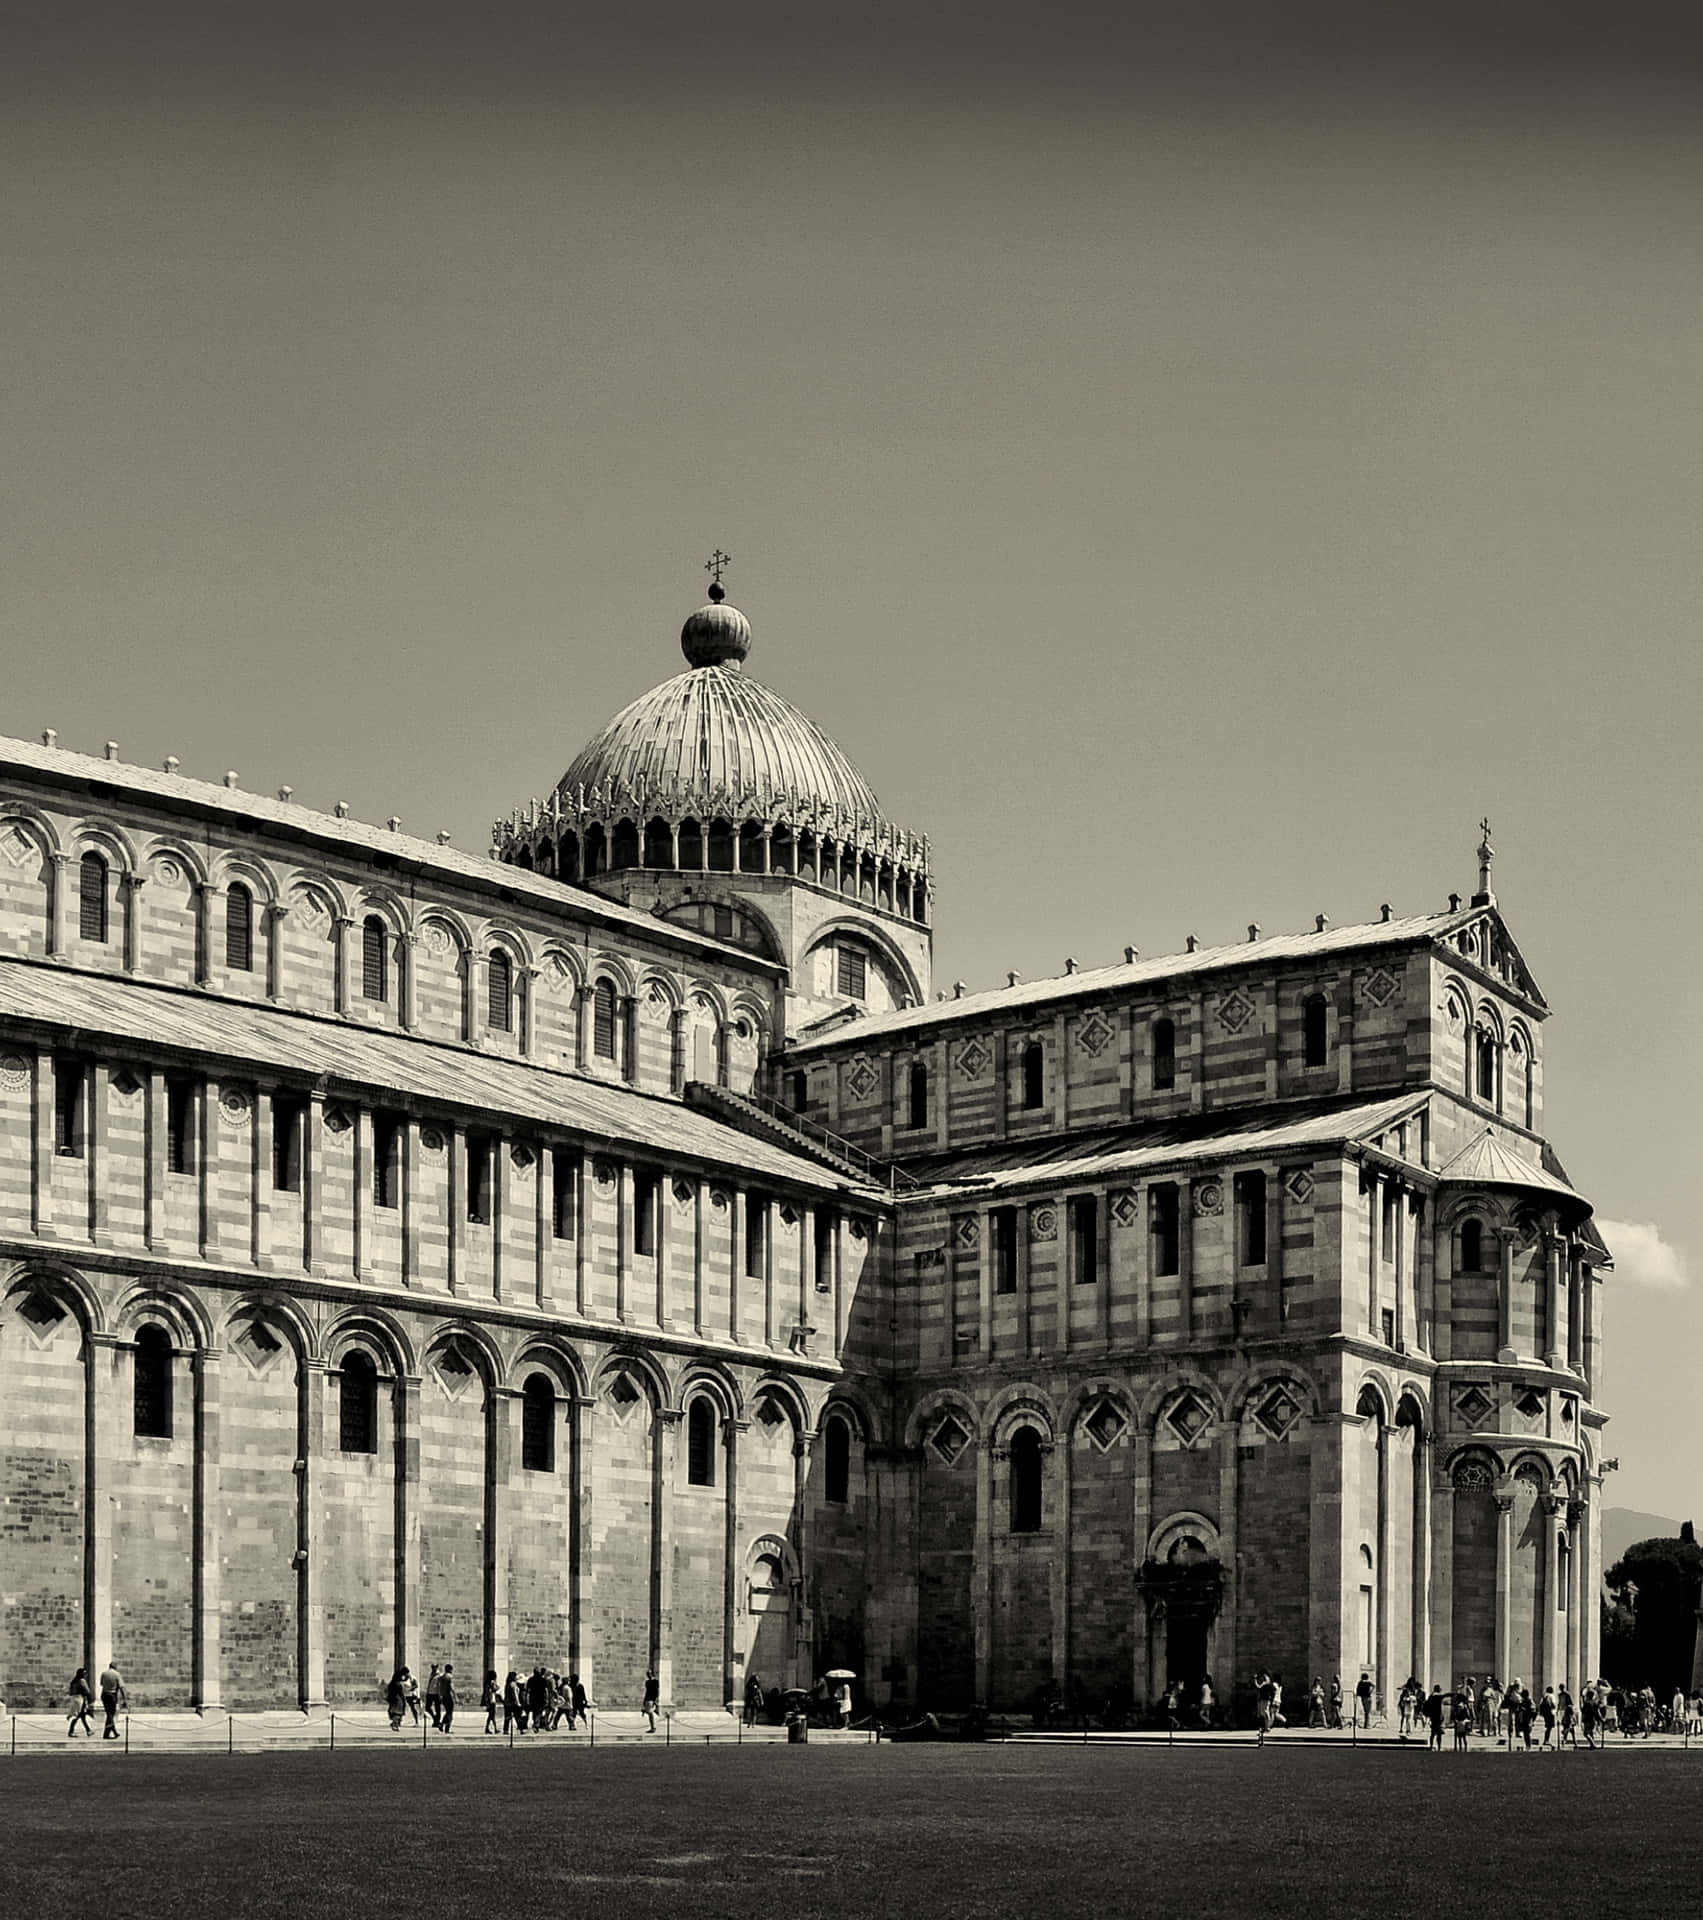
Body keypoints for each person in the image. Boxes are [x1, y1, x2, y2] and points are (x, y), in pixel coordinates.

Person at [98, 1660, 127, 1740]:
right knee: (111, 1714)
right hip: (112, 1695)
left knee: (109, 1713)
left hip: (104, 1694)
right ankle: (114, 1731)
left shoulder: (104, 1673)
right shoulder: (117, 1674)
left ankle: (106, 1733)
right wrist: (124, 1699)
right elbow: (121, 1687)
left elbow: (101, 1684)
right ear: (115, 1667)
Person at [67, 1666, 95, 1738]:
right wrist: (90, 1699)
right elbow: (87, 1690)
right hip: (80, 1699)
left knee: (82, 1716)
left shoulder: (74, 1681)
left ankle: (88, 1731)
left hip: (74, 1699)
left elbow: (70, 1692)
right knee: (77, 1716)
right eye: (84, 1673)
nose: (85, 1675)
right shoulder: (82, 1681)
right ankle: (71, 1731)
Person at [1253, 1670, 1277, 1747]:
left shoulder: (1269, 1684)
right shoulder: (1265, 1684)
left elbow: (1259, 1686)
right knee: (1262, 1713)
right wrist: (1255, 1680)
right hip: (1262, 1699)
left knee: (1266, 1713)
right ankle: (1265, 1727)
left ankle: (1267, 1727)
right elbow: (1258, 1686)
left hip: (1266, 1699)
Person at [502, 1670, 523, 1734]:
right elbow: (515, 1694)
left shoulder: (507, 1684)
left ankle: (506, 1730)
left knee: (507, 1717)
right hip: (513, 1703)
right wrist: (518, 1702)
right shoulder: (513, 1684)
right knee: (517, 1717)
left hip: (507, 1703)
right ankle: (521, 1728)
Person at [438, 1664, 456, 1734]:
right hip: (449, 1696)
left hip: (444, 1696)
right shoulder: (449, 1677)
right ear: (450, 1669)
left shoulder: (442, 1677)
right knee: (450, 1713)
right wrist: (455, 1696)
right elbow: (452, 1688)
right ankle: (446, 1728)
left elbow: (440, 1687)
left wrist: (440, 1696)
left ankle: (442, 1725)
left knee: (448, 1712)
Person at [424, 1664, 443, 1730]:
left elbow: (440, 1686)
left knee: (437, 1709)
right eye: (432, 1667)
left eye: (434, 1667)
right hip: (430, 1693)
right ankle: (435, 1719)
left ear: (437, 1667)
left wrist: (440, 1695)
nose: (433, 1668)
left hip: (436, 1694)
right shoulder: (431, 1674)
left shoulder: (439, 1675)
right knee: (427, 1708)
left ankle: (436, 1722)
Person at [482, 1670, 499, 1735]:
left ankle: (492, 1728)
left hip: (492, 1700)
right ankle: (493, 1728)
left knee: (491, 1716)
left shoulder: (488, 1683)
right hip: (491, 1701)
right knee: (491, 1715)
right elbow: (495, 1688)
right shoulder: (491, 1683)